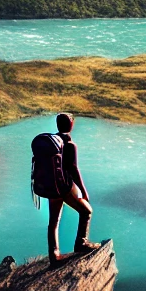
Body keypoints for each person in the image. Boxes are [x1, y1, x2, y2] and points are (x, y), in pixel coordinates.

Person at [41, 113, 96, 263]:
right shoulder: (70, 145)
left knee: (53, 221)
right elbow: (73, 169)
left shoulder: (52, 143)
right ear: (71, 125)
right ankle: (81, 243)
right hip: (65, 186)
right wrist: (83, 190)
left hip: (52, 186)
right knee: (86, 211)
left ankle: (54, 254)